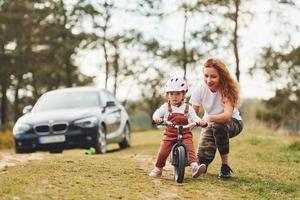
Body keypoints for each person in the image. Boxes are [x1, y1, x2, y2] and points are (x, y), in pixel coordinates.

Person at [190, 58, 243, 179]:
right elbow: (194, 113)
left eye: (213, 76)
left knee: (218, 125)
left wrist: (208, 117)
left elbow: (227, 116)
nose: (208, 80)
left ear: (221, 76)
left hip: (233, 123)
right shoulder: (200, 88)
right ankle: (201, 165)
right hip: (210, 123)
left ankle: (225, 166)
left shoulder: (226, 90)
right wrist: (187, 127)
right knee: (203, 159)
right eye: (206, 76)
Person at [149, 77, 207, 178]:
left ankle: (195, 167)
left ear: (184, 94)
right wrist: (157, 118)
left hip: (185, 133)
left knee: (190, 148)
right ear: (167, 95)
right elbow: (156, 114)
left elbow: (194, 117)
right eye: (171, 94)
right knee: (163, 151)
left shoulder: (187, 108)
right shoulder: (165, 107)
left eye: (178, 94)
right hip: (170, 134)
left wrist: (199, 121)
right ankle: (158, 168)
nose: (174, 97)